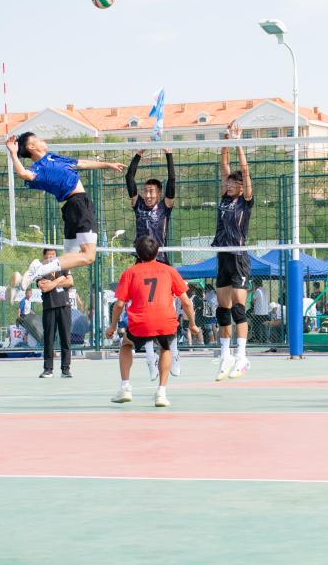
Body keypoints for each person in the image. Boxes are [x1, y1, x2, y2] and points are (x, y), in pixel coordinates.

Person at [6, 132, 125, 289]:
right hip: (79, 206)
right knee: (89, 256)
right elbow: (22, 173)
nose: (43, 140)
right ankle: (39, 269)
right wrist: (13, 153)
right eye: (38, 139)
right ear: (31, 147)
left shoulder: (53, 157)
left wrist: (108, 164)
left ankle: (28, 279)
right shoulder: (38, 169)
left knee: (67, 263)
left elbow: (81, 163)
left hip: (72, 208)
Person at [107, 236, 200, 407]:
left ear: (137, 254)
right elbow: (187, 302)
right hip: (165, 321)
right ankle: (161, 392)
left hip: (140, 323)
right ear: (157, 253)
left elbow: (119, 304)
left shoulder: (129, 273)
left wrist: (112, 326)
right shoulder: (170, 271)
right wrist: (193, 324)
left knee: (126, 345)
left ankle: (125, 387)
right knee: (165, 348)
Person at [125, 147, 182, 378]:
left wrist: (169, 154)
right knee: (143, 312)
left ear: (159, 194)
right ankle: (150, 360)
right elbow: (129, 177)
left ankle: (173, 355)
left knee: (168, 311)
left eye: (152, 192)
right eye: (146, 191)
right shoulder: (137, 204)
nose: (148, 195)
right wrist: (138, 155)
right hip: (141, 264)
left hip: (161, 263)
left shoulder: (165, 207)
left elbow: (172, 180)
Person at [212, 122, 254, 381]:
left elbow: (244, 171)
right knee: (223, 310)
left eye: (233, 182)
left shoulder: (245, 201)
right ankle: (225, 355)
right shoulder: (224, 197)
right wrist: (226, 140)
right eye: (228, 182)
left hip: (239, 256)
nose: (229, 184)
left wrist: (238, 142)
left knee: (239, 307)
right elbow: (224, 166)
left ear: (241, 186)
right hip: (223, 255)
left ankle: (242, 356)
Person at [37, 248, 74, 378]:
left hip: (64, 306)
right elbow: (44, 287)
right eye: (48, 255)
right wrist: (59, 281)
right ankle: (48, 369)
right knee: (49, 339)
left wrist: (52, 283)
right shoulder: (40, 270)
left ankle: (65, 369)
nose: (51, 257)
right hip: (49, 307)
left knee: (66, 338)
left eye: (53, 255)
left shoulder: (63, 266)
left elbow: (70, 281)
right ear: (44, 257)